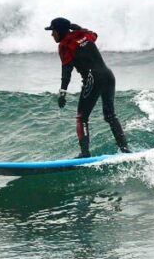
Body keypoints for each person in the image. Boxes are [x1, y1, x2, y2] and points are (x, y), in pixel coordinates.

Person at [46, 17, 130, 158]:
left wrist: (62, 93)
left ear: (60, 31)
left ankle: (85, 154)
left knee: (81, 118)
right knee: (110, 116)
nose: (52, 34)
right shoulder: (84, 35)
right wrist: (79, 28)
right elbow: (94, 35)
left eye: (53, 31)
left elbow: (66, 71)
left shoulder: (65, 45)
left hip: (93, 79)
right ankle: (125, 149)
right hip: (108, 76)